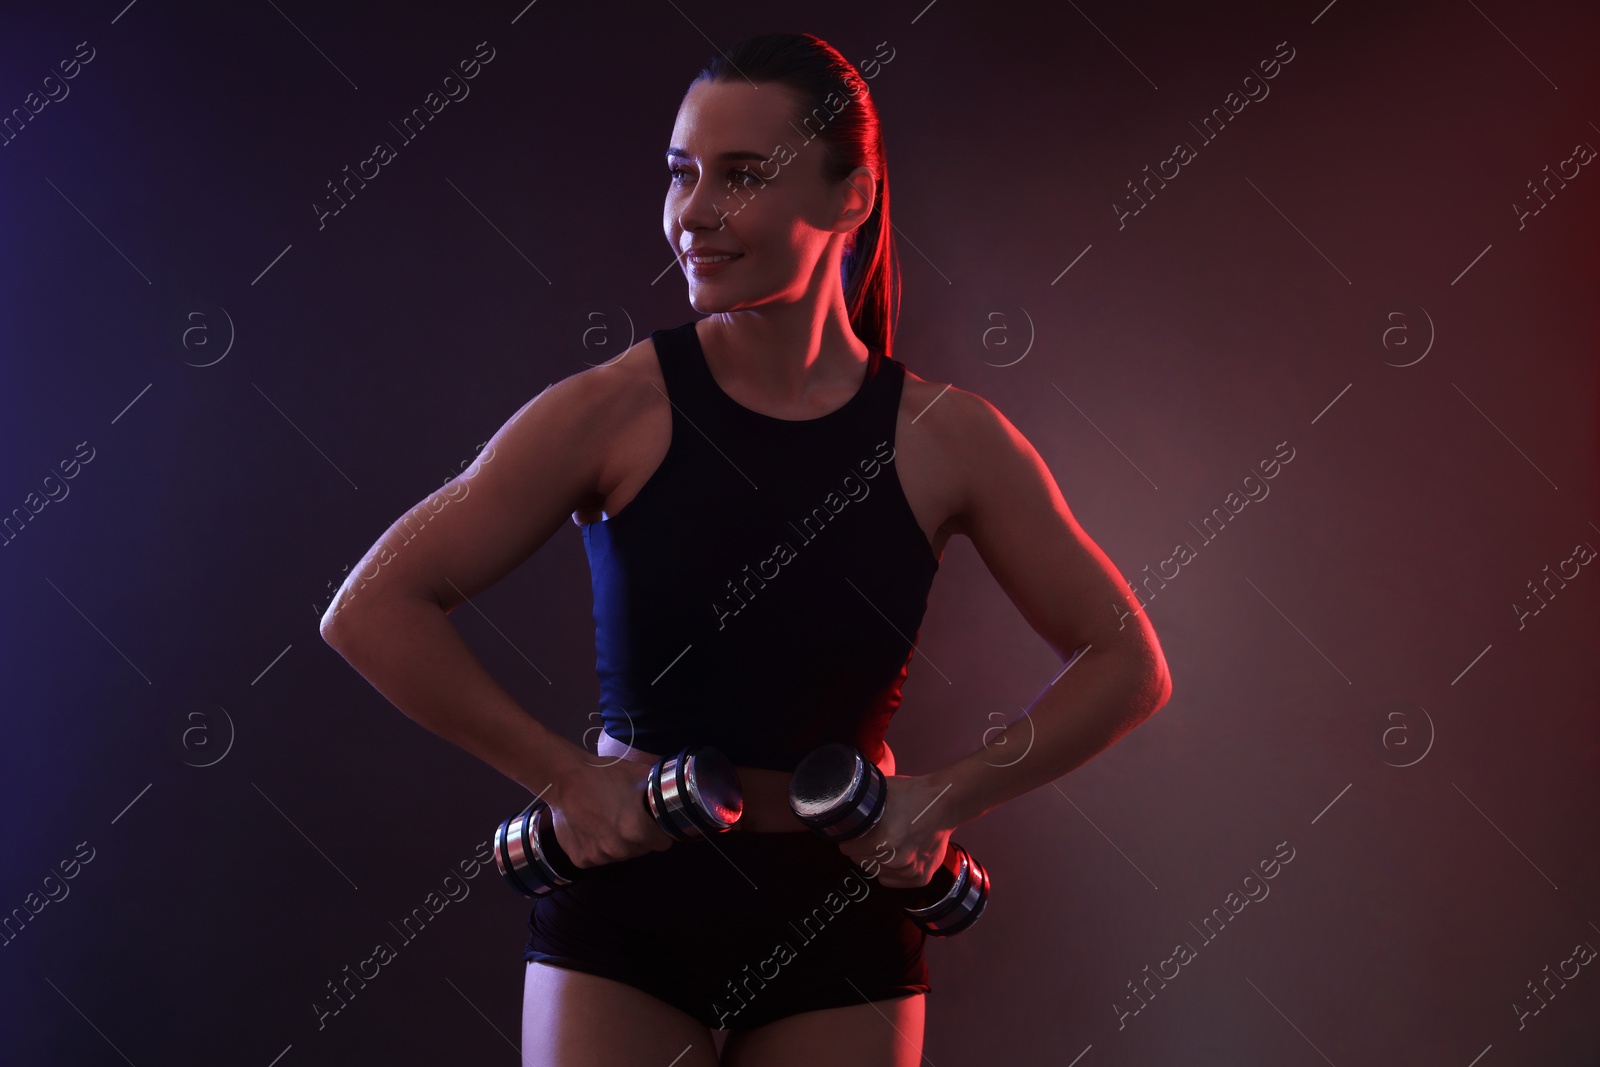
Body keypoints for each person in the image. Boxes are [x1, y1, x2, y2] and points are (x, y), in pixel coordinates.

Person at [320, 30, 1170, 1067]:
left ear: (850, 195)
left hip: (839, 913)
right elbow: (370, 608)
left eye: (740, 176)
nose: (692, 214)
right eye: (680, 174)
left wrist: (942, 798)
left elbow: (1127, 660)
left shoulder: (948, 439)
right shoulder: (613, 409)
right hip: (629, 912)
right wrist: (564, 780)